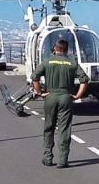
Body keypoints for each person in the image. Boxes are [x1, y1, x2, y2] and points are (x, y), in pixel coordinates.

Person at [31, 39, 90, 168]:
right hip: (66, 97)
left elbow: (34, 77)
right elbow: (84, 80)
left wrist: (40, 93)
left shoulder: (47, 61)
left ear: (55, 49)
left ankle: (47, 157)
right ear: (67, 49)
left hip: (51, 96)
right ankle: (63, 160)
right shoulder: (72, 62)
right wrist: (78, 95)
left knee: (49, 127)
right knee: (64, 129)